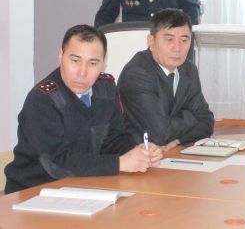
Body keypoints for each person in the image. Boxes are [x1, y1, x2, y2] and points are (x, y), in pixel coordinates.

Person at [4, 25, 163, 194]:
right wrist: (119, 163)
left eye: (93, 63)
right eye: (75, 61)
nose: (82, 72)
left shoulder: (107, 89)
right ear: (61, 56)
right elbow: (56, 163)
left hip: (85, 186)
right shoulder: (43, 99)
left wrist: (137, 151)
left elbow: (114, 139)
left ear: (103, 64)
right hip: (34, 191)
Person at [118, 8, 214, 150]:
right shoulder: (136, 74)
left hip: (172, 151)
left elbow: (207, 122)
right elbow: (159, 134)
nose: (177, 48)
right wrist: (191, 116)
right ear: (151, 41)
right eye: (169, 39)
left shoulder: (189, 70)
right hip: (137, 155)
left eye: (184, 40)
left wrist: (179, 140)